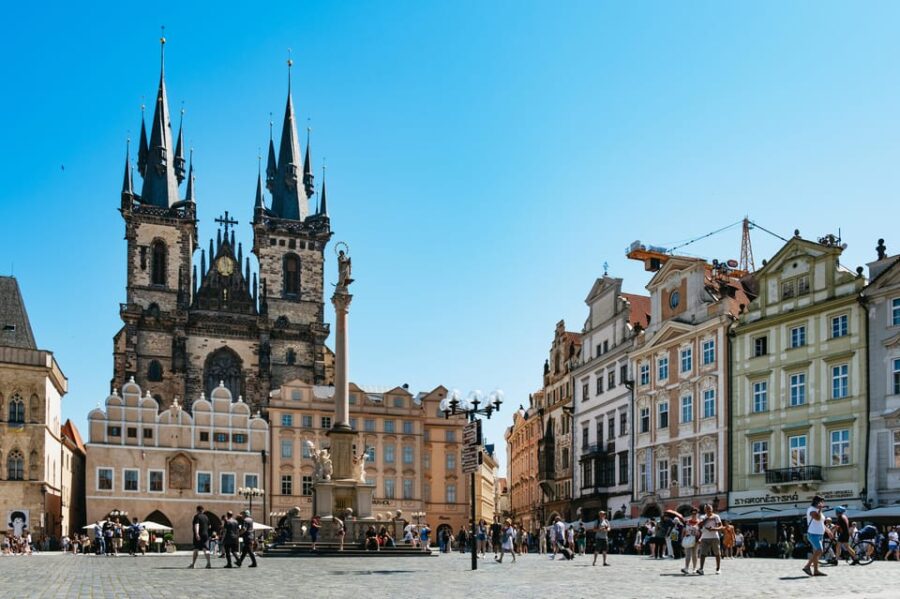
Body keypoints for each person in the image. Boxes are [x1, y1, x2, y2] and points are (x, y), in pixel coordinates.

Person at [803, 495, 828, 577]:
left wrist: (828, 530)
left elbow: (821, 522)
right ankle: (807, 566)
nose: (823, 503)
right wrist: (820, 509)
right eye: (821, 502)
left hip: (819, 534)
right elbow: (817, 518)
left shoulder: (817, 510)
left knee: (816, 552)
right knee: (819, 550)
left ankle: (816, 570)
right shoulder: (812, 510)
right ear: (817, 502)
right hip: (813, 534)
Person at [697, 503, 724, 575]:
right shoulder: (702, 517)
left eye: (709, 509)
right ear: (705, 510)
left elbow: (721, 527)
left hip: (714, 537)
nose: (708, 510)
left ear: (712, 509)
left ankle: (718, 568)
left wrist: (714, 529)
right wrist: (707, 519)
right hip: (704, 537)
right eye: (706, 509)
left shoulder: (716, 516)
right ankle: (701, 569)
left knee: (717, 553)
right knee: (702, 553)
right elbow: (699, 525)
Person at [681, 507, 701, 575]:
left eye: (695, 513)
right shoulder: (687, 521)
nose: (694, 514)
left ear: (697, 514)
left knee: (695, 554)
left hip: (696, 539)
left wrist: (700, 539)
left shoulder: (699, 522)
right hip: (688, 538)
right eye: (692, 513)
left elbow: (701, 531)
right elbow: (683, 530)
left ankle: (694, 568)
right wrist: (683, 537)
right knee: (688, 554)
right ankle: (686, 568)